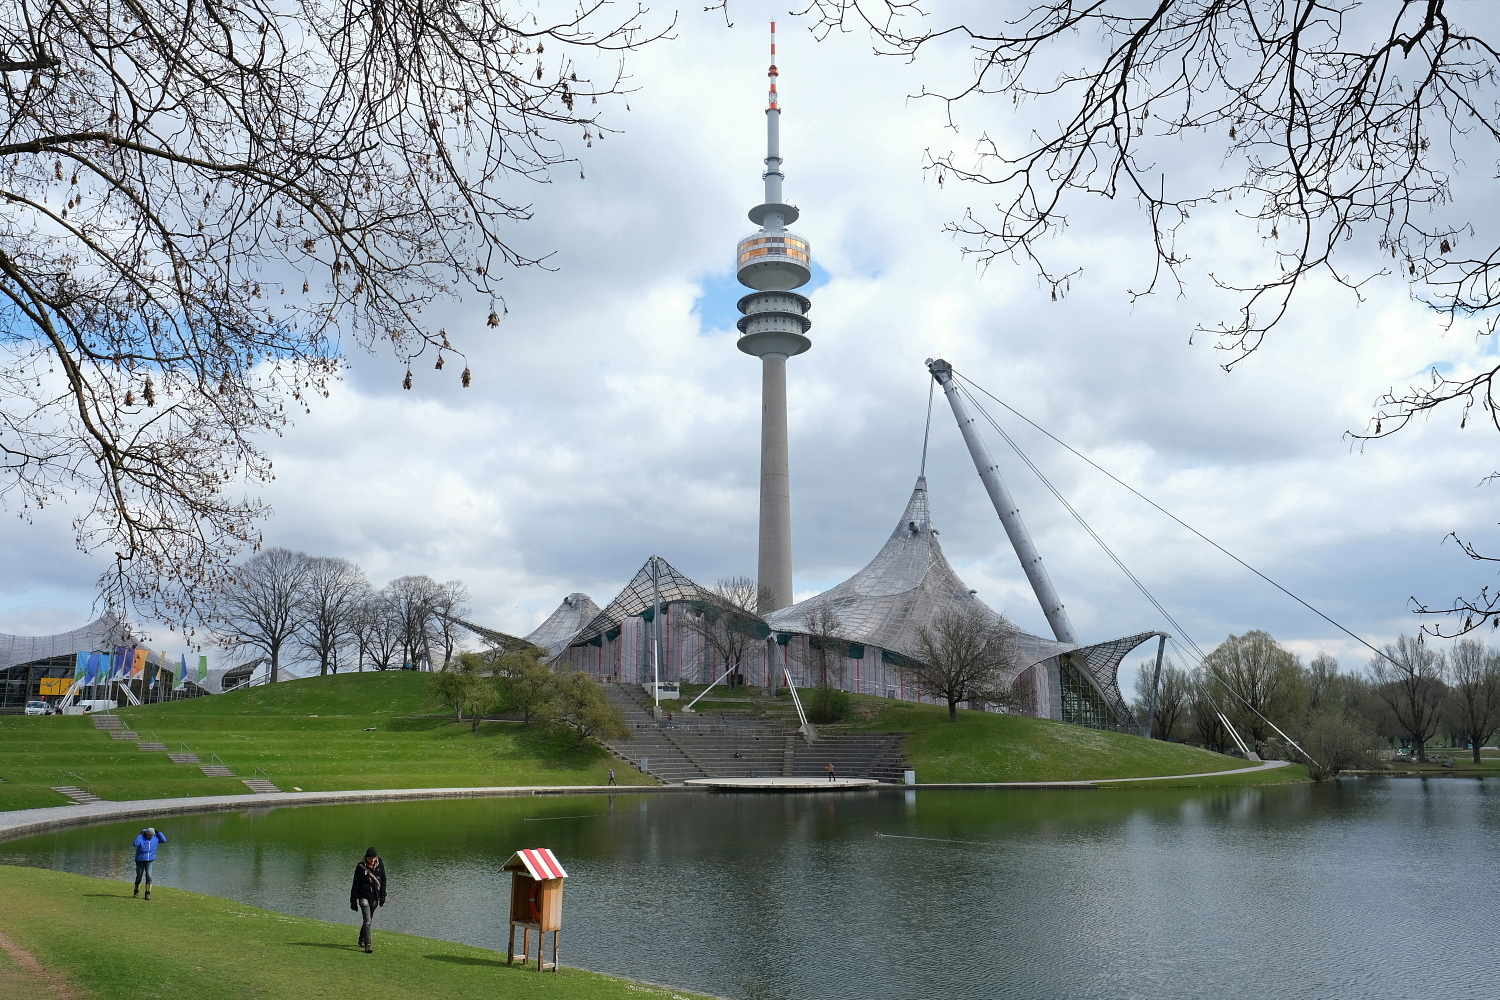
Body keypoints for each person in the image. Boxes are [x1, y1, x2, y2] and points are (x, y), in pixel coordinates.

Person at [349, 847, 388, 953]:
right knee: (367, 921)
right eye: (370, 858)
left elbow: (383, 880)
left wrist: (383, 896)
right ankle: (368, 945)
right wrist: (353, 901)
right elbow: (355, 885)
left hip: (375, 897)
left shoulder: (380, 865)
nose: (372, 860)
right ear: (366, 858)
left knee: (368, 920)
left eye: (374, 858)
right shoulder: (360, 868)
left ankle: (361, 939)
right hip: (363, 897)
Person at [132, 827, 166, 899]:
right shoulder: (141, 837)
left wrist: (158, 832)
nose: (151, 837)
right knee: (139, 876)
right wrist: (140, 836)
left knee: (149, 876)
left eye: (152, 835)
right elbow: (135, 844)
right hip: (140, 860)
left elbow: (164, 840)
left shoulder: (155, 838)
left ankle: (147, 894)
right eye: (150, 835)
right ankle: (136, 892)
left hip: (150, 860)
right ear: (146, 834)